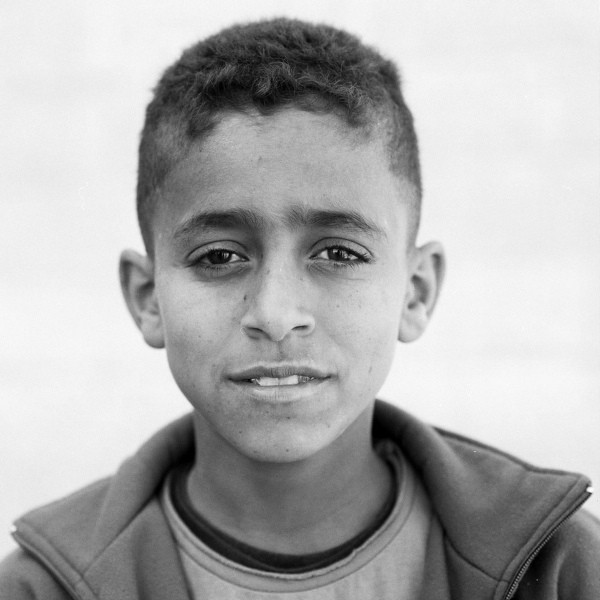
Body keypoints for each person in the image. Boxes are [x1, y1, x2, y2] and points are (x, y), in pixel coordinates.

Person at [1, 17, 598, 600]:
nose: (276, 313)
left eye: (338, 253)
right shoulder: (39, 589)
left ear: (415, 291)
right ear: (147, 296)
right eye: (219, 257)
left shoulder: (561, 567)